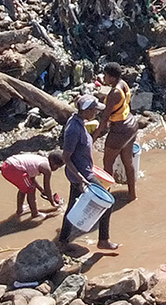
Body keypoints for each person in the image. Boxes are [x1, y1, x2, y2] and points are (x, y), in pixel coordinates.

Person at [56, 96, 118, 255]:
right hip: (81, 175)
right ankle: (103, 240)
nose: (96, 113)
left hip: (84, 171)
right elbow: (66, 157)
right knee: (107, 202)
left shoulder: (77, 121)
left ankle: (62, 241)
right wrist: (82, 180)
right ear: (87, 111)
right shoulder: (74, 130)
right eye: (95, 110)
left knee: (73, 206)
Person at [96, 62, 140, 201]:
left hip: (119, 131)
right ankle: (132, 195)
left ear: (112, 78)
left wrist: (94, 136)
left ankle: (105, 198)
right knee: (128, 161)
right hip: (131, 125)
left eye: (106, 75)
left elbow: (104, 120)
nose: (104, 77)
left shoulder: (114, 93)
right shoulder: (123, 84)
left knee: (107, 163)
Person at [1, 150, 65, 220]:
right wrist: (52, 202)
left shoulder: (41, 161)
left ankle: (20, 210)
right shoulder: (46, 168)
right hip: (13, 168)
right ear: (53, 164)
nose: (56, 169)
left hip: (8, 165)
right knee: (31, 188)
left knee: (24, 187)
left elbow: (32, 178)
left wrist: (41, 190)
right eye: (57, 167)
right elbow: (47, 187)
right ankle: (35, 214)